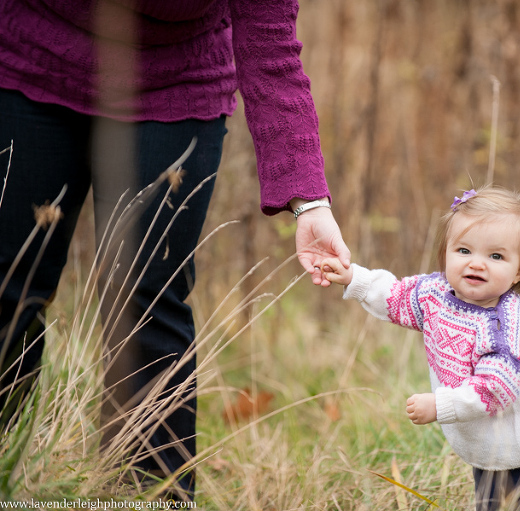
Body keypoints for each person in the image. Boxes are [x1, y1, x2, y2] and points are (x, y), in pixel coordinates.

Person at [0, 0, 350, 501]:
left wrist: (308, 201)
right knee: (9, 283)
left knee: (146, 298)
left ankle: (147, 495)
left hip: (173, 82)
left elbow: (270, 44)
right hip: (31, 55)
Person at [321, 186, 520, 511]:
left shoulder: (506, 326)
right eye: (464, 250)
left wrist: (441, 405)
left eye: (496, 256)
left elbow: (495, 388)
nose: (477, 264)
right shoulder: (436, 294)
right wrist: (354, 278)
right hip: (488, 450)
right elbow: (396, 296)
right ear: (446, 252)